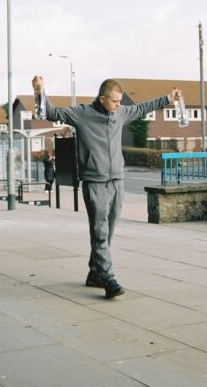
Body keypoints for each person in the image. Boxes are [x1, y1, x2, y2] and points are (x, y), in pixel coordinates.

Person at [32, 76, 180, 298]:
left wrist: (168, 98)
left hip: (117, 180)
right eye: (115, 102)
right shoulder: (82, 114)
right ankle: (108, 279)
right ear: (102, 99)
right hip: (95, 181)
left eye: (120, 102)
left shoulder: (119, 113)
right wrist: (39, 91)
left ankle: (95, 273)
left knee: (108, 230)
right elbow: (51, 112)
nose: (119, 106)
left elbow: (142, 108)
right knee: (99, 231)